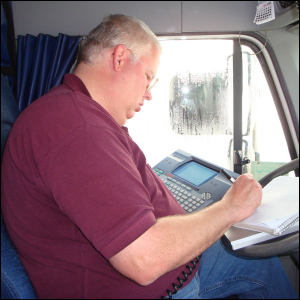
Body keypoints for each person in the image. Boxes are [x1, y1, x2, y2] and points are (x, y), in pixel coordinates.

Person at [1, 14, 297, 299]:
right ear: (119, 58)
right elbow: (144, 261)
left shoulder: (76, 114)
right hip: (155, 288)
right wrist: (231, 207)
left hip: (172, 268)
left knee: (262, 263)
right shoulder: (78, 128)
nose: (149, 93)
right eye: (147, 77)